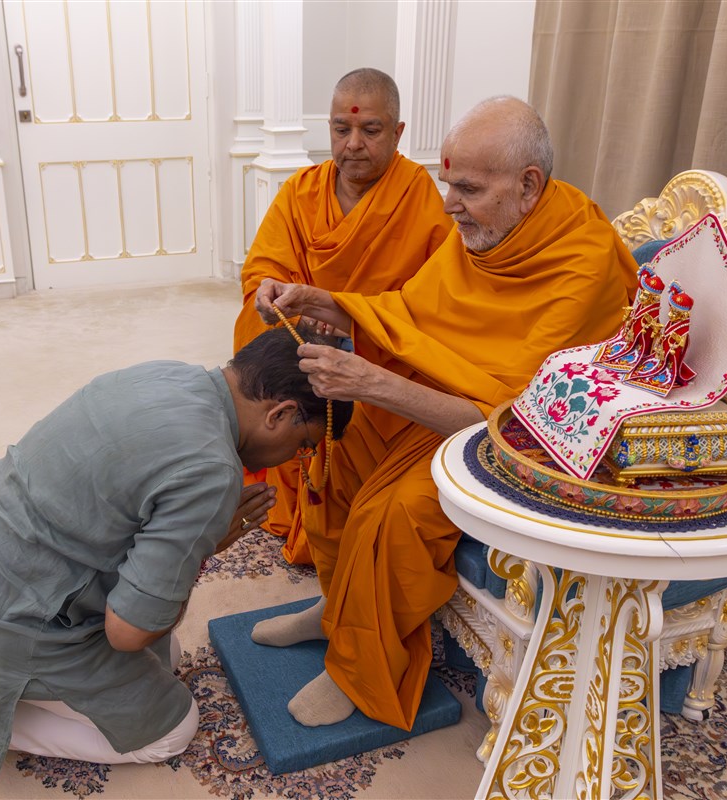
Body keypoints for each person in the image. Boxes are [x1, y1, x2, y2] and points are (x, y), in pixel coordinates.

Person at [250, 96, 640, 730]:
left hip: (531, 443)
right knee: (339, 443)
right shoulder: (493, 229)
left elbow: (517, 422)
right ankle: (334, 609)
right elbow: (414, 310)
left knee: (396, 508)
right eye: (447, 183)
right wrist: (329, 301)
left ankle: (359, 666)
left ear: (528, 186)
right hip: (453, 400)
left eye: (467, 188)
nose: (449, 203)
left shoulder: (579, 263)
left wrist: (374, 383)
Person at [0, 327, 354, 788]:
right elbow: (127, 634)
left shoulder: (166, 374)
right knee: (172, 729)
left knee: (166, 656)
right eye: (304, 444)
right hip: (7, 620)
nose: (295, 459)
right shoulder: (212, 470)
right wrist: (206, 544)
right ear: (281, 413)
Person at [234, 67, 453, 566]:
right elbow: (265, 267)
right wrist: (269, 295)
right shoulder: (301, 192)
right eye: (341, 129)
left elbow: (435, 303)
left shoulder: (421, 200)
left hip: (381, 355)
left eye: (370, 130)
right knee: (256, 341)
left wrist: (354, 323)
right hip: (302, 342)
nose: (353, 143)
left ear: (398, 133)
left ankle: (346, 526)